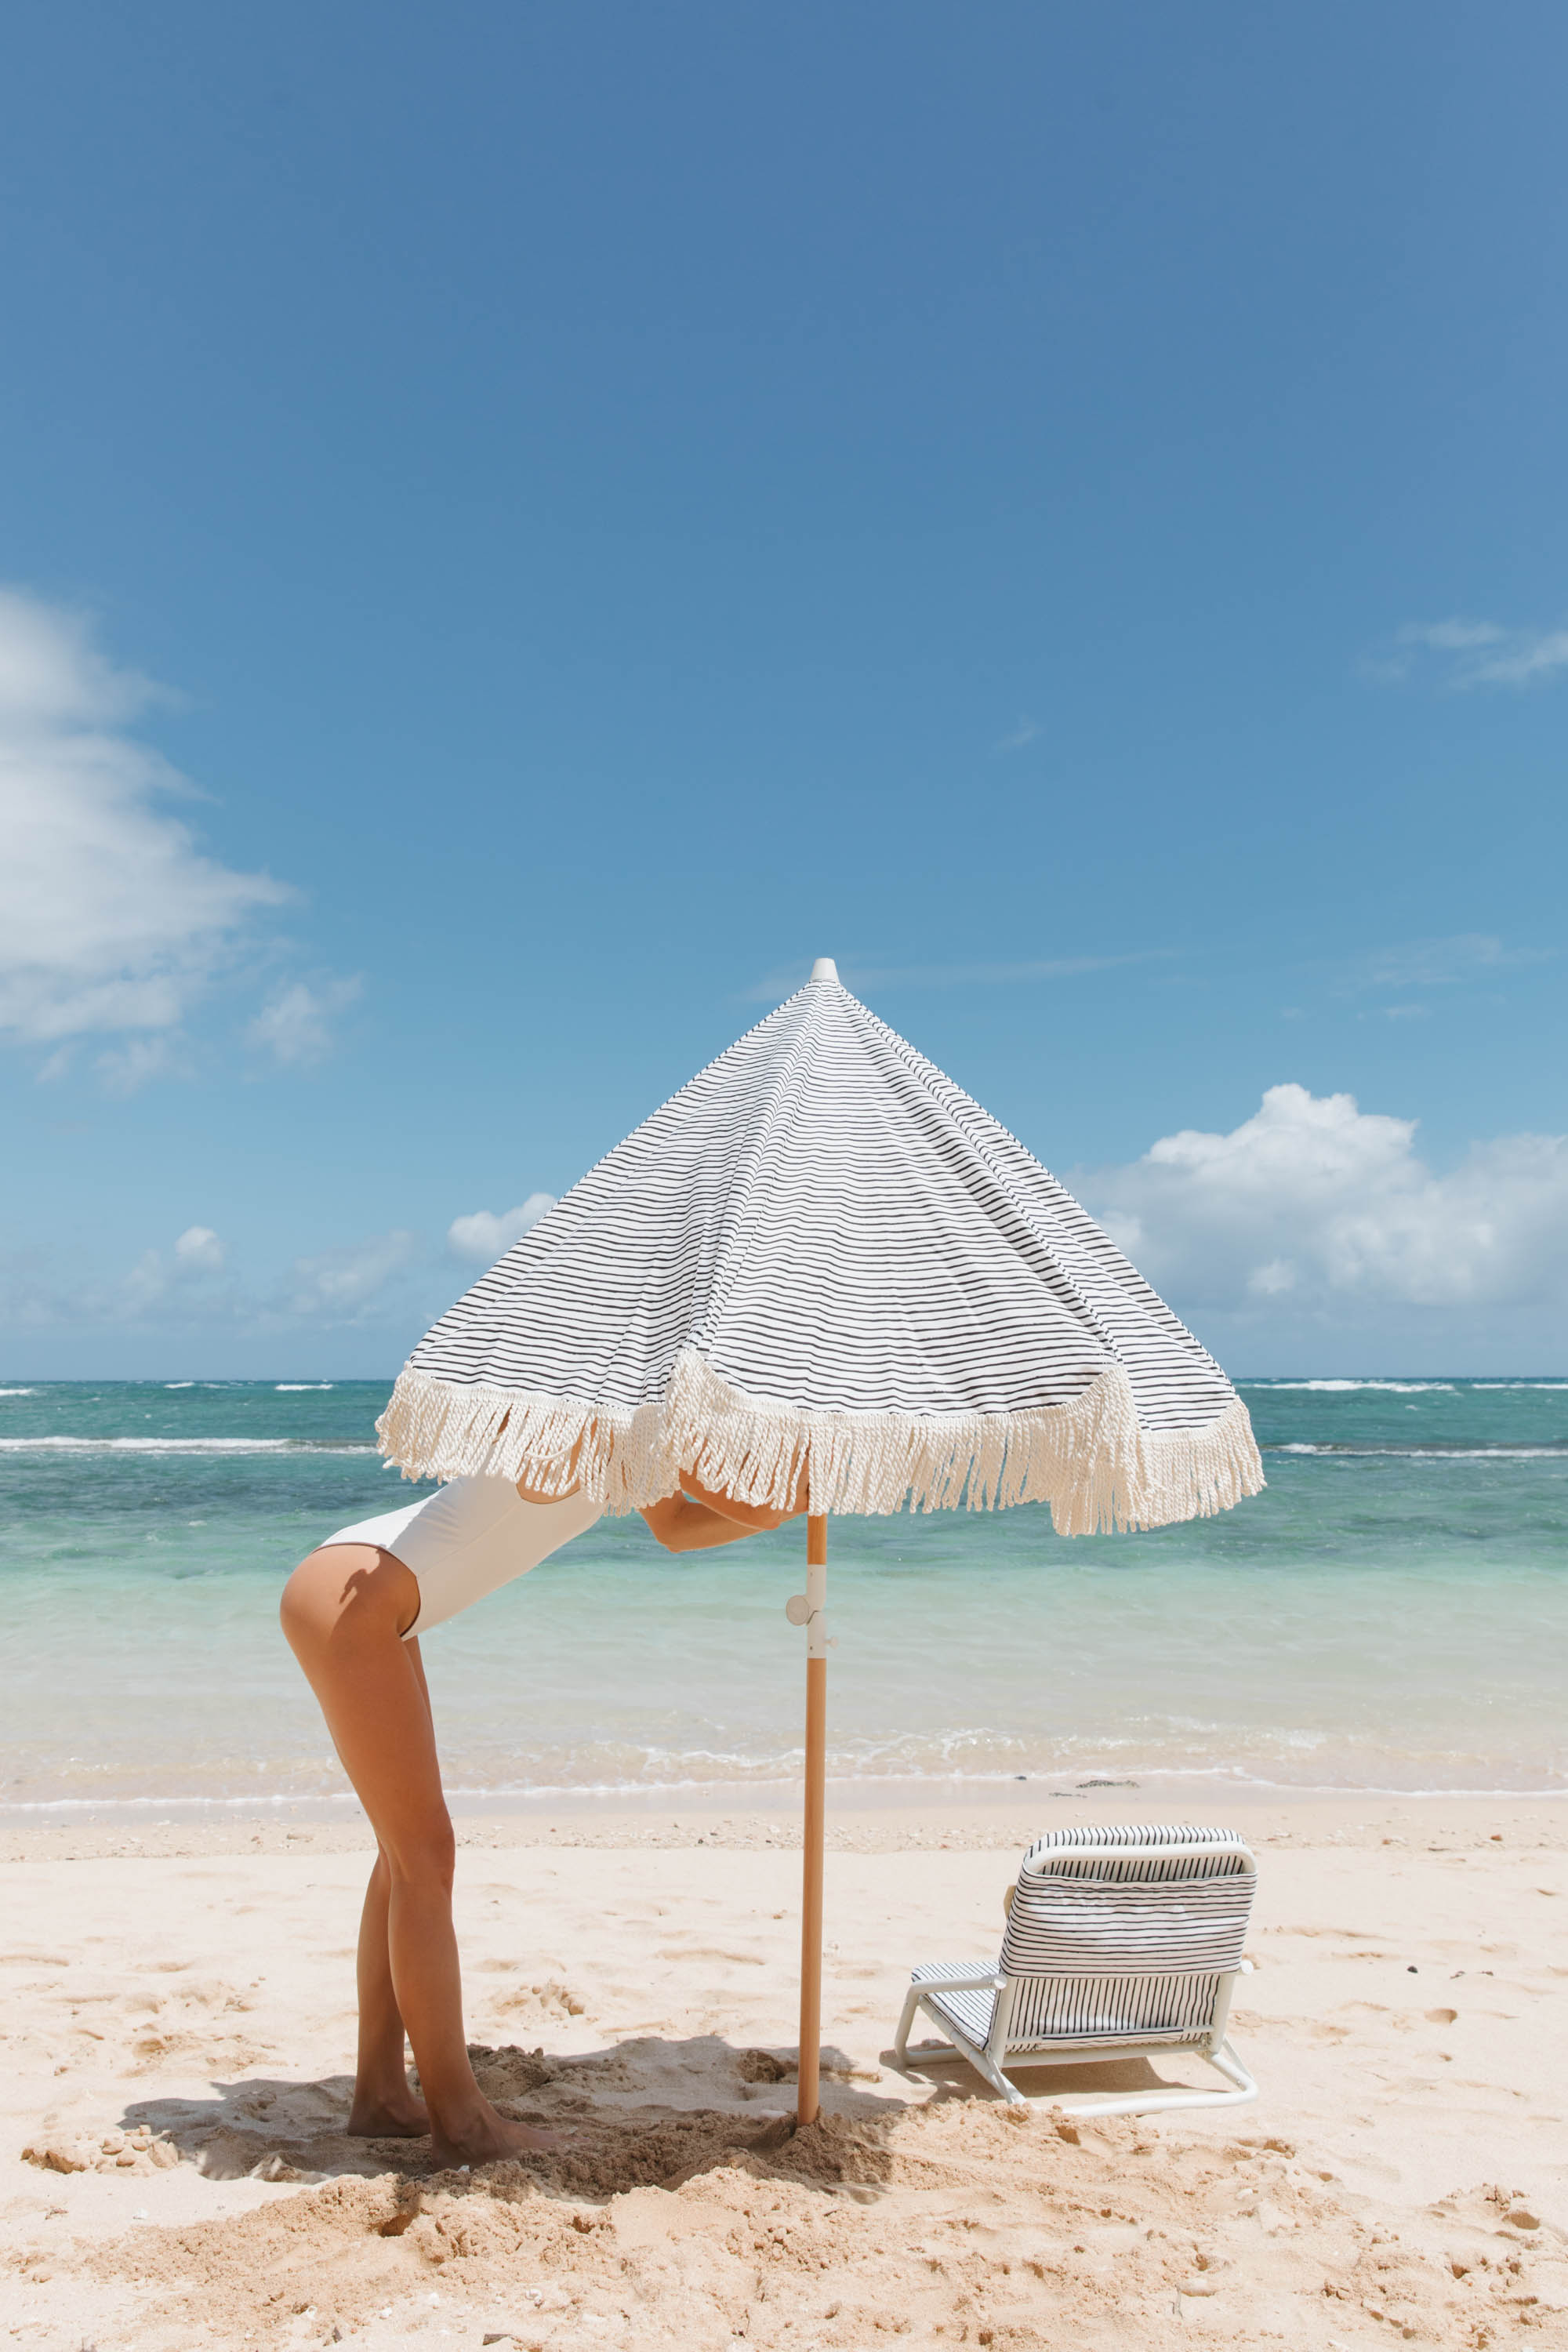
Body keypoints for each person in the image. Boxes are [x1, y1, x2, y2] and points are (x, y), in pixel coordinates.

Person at [279, 1447, 804, 2168]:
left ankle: (380, 2096)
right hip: (354, 1598)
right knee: (424, 1857)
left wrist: (784, 1505)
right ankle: (460, 2123)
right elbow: (670, 1484)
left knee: (403, 1857)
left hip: (375, 1594)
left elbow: (678, 1527)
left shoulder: (622, 1430)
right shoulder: (584, 1417)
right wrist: (791, 1486)